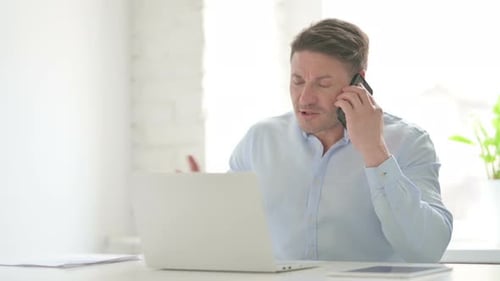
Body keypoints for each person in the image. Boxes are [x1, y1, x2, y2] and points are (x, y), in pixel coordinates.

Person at [190, 18, 452, 263]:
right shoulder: (260, 140)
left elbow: (426, 250)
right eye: (297, 81)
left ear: (358, 82)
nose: (305, 98)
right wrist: (200, 204)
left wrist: (375, 151)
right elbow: (229, 231)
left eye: (323, 84)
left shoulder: (408, 142)